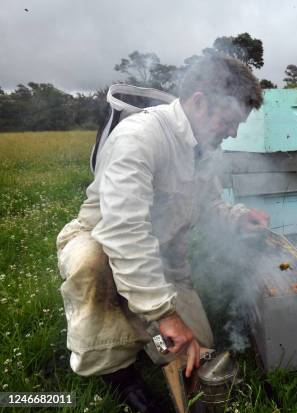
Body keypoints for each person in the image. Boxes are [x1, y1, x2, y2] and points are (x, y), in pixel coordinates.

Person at [56, 52, 268, 413]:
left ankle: (145, 331)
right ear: (200, 103)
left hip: (165, 259)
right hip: (103, 242)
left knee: (196, 347)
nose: (233, 132)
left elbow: (207, 203)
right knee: (89, 261)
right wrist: (163, 315)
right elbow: (123, 232)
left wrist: (236, 217)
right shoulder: (139, 138)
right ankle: (118, 373)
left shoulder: (203, 150)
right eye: (230, 121)